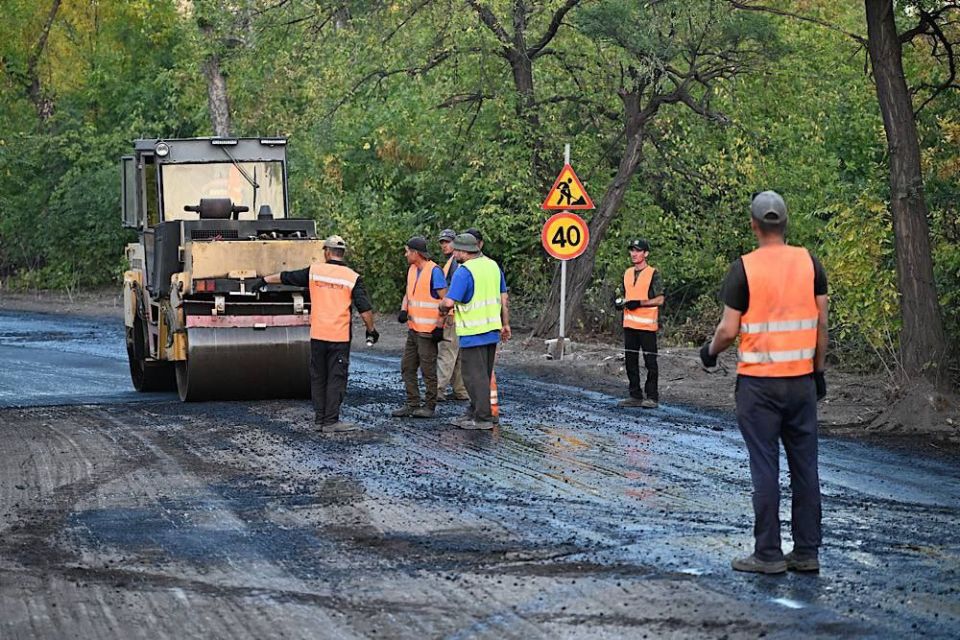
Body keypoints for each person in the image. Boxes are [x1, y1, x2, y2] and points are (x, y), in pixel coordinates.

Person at [700, 190, 828, 574]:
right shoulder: (810, 263)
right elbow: (822, 325)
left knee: (765, 467)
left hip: (759, 386)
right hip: (801, 382)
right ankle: (806, 552)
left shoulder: (744, 268)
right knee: (805, 468)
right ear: (785, 224)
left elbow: (728, 330)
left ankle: (768, 554)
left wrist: (709, 352)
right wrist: (818, 371)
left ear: (754, 225)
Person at [255, 235, 379, 433]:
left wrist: (264, 280)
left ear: (327, 252)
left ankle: (320, 419)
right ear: (342, 253)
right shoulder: (352, 277)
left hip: (318, 335)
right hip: (339, 337)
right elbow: (365, 309)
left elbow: (287, 277)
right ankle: (330, 421)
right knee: (336, 377)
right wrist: (371, 330)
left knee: (319, 376)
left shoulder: (315, 271)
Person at [439, 233, 510, 430]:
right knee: (483, 374)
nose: (454, 255)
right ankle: (475, 411)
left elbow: (449, 301)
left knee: (473, 377)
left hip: (473, 331)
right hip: (491, 329)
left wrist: (441, 307)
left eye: (456, 251)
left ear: (464, 251)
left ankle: (483, 418)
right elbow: (504, 297)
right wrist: (505, 323)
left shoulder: (464, 271)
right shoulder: (492, 266)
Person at [392, 236, 447, 419]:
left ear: (416, 253)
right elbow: (408, 293)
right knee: (407, 367)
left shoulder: (434, 271)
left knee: (428, 370)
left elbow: (446, 300)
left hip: (428, 331)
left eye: (407, 251)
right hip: (414, 329)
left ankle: (429, 406)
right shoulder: (412, 269)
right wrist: (403, 309)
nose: (405, 254)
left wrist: (440, 325)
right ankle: (412, 403)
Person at [614, 239, 664, 409]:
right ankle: (635, 395)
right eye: (632, 250)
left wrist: (640, 303)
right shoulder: (627, 273)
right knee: (630, 362)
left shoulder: (653, 273)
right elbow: (624, 294)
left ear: (645, 253)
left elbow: (660, 299)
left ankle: (652, 397)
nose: (634, 254)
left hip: (647, 326)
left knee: (650, 363)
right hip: (629, 325)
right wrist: (620, 302)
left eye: (638, 250)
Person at [435, 229, 469, 402]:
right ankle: (460, 390)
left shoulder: (455, 263)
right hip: (462, 315)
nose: (444, 245)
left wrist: (446, 313)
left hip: (453, 314)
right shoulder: (456, 262)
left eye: (447, 242)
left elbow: (453, 292)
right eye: (442, 242)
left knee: (447, 352)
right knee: (459, 354)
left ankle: (438, 389)